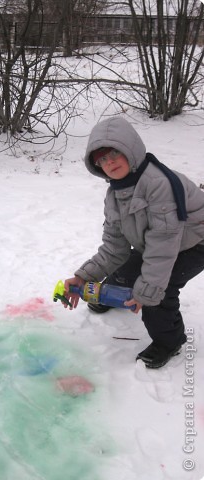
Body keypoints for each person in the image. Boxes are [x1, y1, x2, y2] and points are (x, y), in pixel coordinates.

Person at [63, 116, 204, 368]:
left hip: (196, 242)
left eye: (115, 153)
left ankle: (169, 341)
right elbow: (114, 248)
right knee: (125, 272)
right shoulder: (115, 195)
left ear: (130, 149)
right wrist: (84, 276)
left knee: (157, 291)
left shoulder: (158, 184)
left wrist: (146, 292)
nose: (110, 162)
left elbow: (162, 250)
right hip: (161, 243)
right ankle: (113, 296)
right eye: (102, 159)